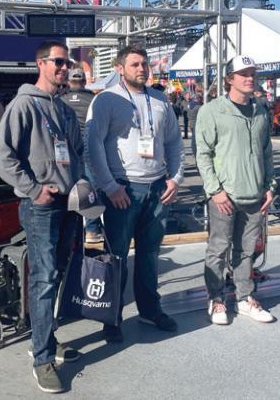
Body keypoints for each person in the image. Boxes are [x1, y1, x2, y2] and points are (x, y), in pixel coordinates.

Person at [0, 41, 83, 394]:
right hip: (41, 205)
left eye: (67, 62)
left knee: (55, 274)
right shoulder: (24, 105)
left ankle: (46, 338)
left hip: (68, 204)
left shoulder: (63, 109)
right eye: (57, 62)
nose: (64, 68)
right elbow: (2, 156)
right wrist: (33, 189)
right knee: (44, 279)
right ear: (40, 63)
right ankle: (42, 359)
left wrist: (81, 185)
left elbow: (76, 153)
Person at [85, 45, 185, 343]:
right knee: (117, 257)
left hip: (157, 188)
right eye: (135, 64)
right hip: (123, 189)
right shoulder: (106, 100)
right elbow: (94, 146)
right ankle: (112, 317)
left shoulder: (160, 100)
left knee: (149, 255)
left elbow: (174, 142)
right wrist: (109, 186)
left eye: (144, 64)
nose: (142, 69)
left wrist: (175, 179)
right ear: (119, 68)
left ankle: (150, 310)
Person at [195, 55, 276, 326]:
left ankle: (244, 298)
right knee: (218, 248)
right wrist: (215, 190)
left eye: (253, 73)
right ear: (229, 79)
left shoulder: (261, 111)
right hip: (225, 196)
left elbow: (266, 153)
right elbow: (203, 154)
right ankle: (216, 298)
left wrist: (269, 187)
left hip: (255, 195)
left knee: (246, 250)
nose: (250, 78)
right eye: (244, 74)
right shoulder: (212, 111)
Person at [61, 66, 103, 244]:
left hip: (66, 147)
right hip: (88, 144)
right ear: (84, 81)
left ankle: (73, 231)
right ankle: (92, 229)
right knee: (90, 187)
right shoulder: (94, 99)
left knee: (68, 187)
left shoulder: (61, 100)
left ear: (69, 81)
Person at [188, 93, 204, 160]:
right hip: (197, 124)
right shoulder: (199, 107)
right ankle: (195, 153)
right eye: (201, 98)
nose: (202, 99)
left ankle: (194, 152)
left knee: (193, 139)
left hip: (192, 124)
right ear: (198, 98)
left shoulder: (191, 105)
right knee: (195, 140)